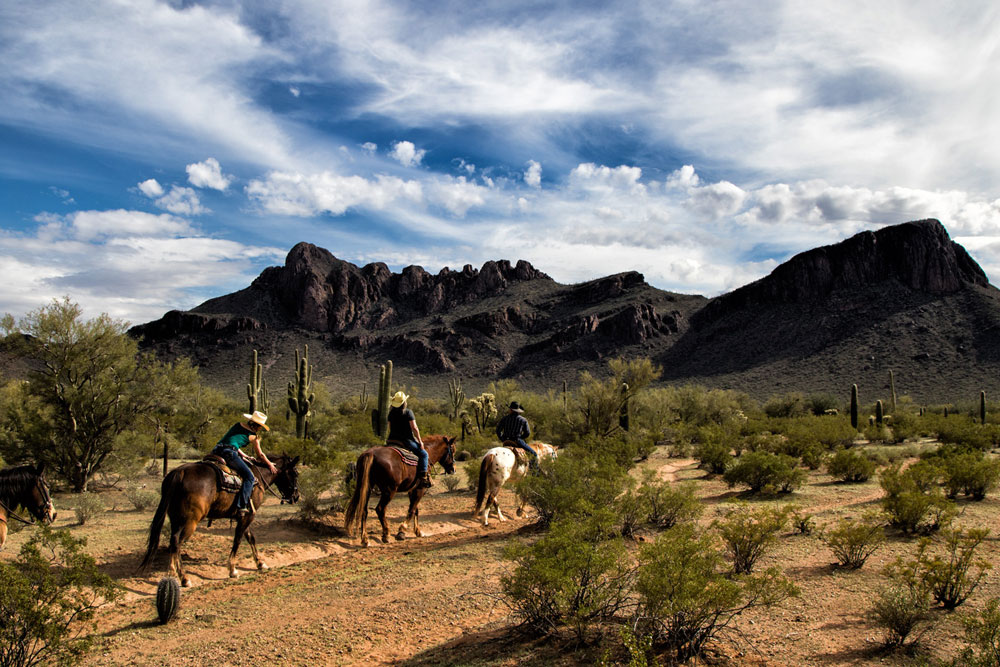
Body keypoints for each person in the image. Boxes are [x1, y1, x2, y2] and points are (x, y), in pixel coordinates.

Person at [211, 411, 277, 516]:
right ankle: (242, 505)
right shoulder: (253, 436)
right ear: (259, 426)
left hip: (216, 450)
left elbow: (231, 441)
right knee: (249, 477)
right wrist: (269, 464)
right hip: (229, 454)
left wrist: (244, 455)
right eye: (261, 427)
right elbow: (260, 455)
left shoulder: (238, 425)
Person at [385, 391, 432, 489]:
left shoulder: (391, 413)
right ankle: (423, 477)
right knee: (424, 454)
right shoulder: (408, 412)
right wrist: (420, 441)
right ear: (404, 403)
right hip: (406, 441)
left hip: (391, 440)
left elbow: (389, 427)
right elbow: (414, 428)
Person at [496, 401, 538, 470]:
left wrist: (503, 439)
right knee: (534, 454)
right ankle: (534, 472)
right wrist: (520, 438)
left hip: (506, 441)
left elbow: (498, 431)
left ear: (511, 410)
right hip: (517, 441)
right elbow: (527, 433)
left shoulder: (504, 419)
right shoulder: (523, 420)